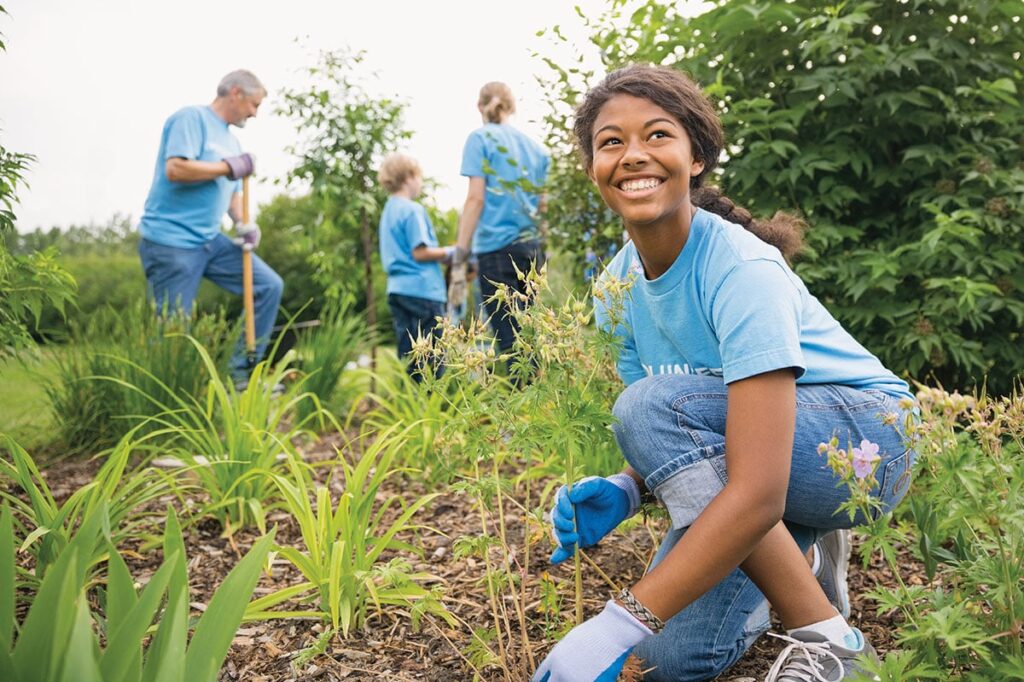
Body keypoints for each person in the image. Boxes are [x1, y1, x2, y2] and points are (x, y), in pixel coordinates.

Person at [534, 65, 917, 682]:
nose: (634, 155)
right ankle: (804, 551)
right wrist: (630, 487)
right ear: (592, 168)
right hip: (768, 453)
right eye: (611, 142)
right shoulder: (616, 289)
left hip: (867, 441)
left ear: (698, 157)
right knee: (674, 655)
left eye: (658, 135)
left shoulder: (741, 270)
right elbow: (698, 441)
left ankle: (830, 641)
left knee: (648, 409)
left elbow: (745, 477)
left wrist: (615, 622)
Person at [137, 69, 283, 390]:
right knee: (172, 329)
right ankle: (166, 399)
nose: (255, 113)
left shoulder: (231, 140)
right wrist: (229, 166)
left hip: (209, 241)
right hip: (171, 242)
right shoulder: (191, 119)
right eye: (254, 105)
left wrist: (244, 223)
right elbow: (176, 168)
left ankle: (240, 375)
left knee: (269, 286)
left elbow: (231, 192)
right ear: (235, 93)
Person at [449, 82, 550, 363]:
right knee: (531, 335)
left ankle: (522, 405)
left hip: (495, 251)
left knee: (510, 342)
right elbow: (543, 207)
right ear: (512, 107)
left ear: (480, 107)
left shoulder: (479, 140)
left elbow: (475, 200)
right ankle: (540, 403)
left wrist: (460, 252)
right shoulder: (538, 151)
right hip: (532, 250)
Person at [377, 153, 453, 380]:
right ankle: (432, 411)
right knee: (432, 359)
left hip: (398, 291)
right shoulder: (412, 210)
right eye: (419, 177)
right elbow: (420, 252)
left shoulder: (389, 210)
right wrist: (452, 252)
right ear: (409, 177)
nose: (420, 182)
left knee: (410, 359)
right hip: (423, 291)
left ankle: (410, 410)